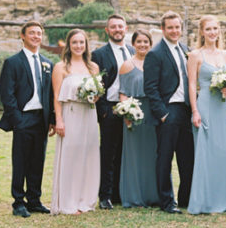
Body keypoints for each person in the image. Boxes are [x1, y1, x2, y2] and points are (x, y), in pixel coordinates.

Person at [0, 21, 54, 217]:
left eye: (39, 33)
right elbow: (7, 94)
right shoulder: (13, 62)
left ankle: (34, 200)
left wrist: (52, 119)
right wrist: (17, 120)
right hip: (23, 118)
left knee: (38, 160)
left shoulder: (48, 63)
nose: (36, 36)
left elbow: (50, 94)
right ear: (22, 36)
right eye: (32, 33)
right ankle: (18, 202)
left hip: (41, 119)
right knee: (20, 161)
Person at [187, 15, 226, 214]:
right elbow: (192, 84)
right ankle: (206, 202)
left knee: (225, 152)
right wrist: (195, 111)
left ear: (219, 31)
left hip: (222, 106)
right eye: (208, 29)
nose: (212, 32)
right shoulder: (195, 55)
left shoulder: (225, 55)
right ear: (202, 32)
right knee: (206, 153)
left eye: (215, 29)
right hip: (205, 106)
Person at [143, 11, 194, 214]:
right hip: (168, 110)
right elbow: (150, 88)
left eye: (177, 27)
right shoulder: (155, 54)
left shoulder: (186, 49)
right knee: (165, 158)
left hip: (186, 110)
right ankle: (167, 201)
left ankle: (186, 199)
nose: (174, 31)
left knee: (187, 157)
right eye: (170, 27)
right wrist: (163, 114)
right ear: (163, 29)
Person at [50, 29, 101, 214]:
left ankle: (85, 199)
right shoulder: (61, 67)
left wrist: (94, 96)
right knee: (71, 157)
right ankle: (67, 201)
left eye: (82, 42)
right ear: (69, 45)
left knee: (88, 156)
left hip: (89, 113)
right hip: (70, 113)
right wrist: (59, 121)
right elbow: (56, 97)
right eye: (75, 43)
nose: (78, 46)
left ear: (86, 45)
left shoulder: (93, 67)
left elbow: (96, 94)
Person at [92, 14, 135, 209]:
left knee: (128, 152)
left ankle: (121, 192)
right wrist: (103, 111)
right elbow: (97, 84)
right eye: (113, 27)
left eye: (120, 26)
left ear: (126, 28)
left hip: (133, 108)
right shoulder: (99, 54)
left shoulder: (134, 51)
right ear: (107, 30)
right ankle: (105, 195)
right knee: (108, 153)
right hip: (110, 108)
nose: (117, 30)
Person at [118, 29, 160, 208]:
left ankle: (154, 195)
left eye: (146, 42)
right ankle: (134, 196)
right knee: (135, 155)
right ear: (133, 44)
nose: (143, 45)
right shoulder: (127, 65)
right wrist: (127, 112)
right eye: (139, 41)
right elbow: (123, 92)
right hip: (135, 113)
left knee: (154, 154)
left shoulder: (156, 63)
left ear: (151, 44)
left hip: (153, 112)